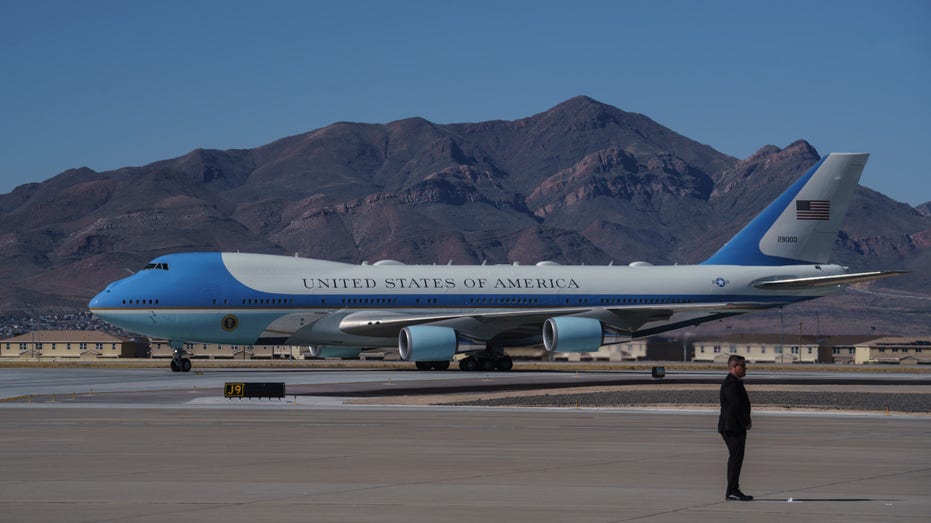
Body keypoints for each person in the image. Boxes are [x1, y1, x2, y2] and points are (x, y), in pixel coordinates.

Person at [718, 354, 753, 501]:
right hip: (731, 427)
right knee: (735, 458)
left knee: (737, 458)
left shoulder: (736, 382)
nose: (745, 369)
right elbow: (736, 407)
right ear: (734, 367)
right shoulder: (731, 384)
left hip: (735, 426)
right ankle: (732, 491)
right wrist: (745, 421)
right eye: (743, 366)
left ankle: (734, 490)